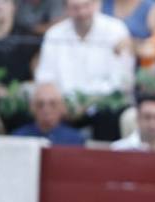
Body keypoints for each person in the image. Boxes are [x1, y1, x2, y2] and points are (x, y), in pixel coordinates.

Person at [35, 0, 134, 140]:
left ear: (97, 5)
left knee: (110, 114)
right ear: (66, 9)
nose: (81, 13)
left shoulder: (116, 29)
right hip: (64, 105)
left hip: (102, 103)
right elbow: (45, 77)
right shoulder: (54, 34)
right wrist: (60, 103)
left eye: (86, 6)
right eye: (75, 8)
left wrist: (89, 101)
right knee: (39, 110)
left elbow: (122, 80)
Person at [11, 79, 87, 142]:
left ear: (62, 108)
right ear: (32, 108)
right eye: (40, 104)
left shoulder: (75, 139)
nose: (46, 109)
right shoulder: (19, 138)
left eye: (52, 104)